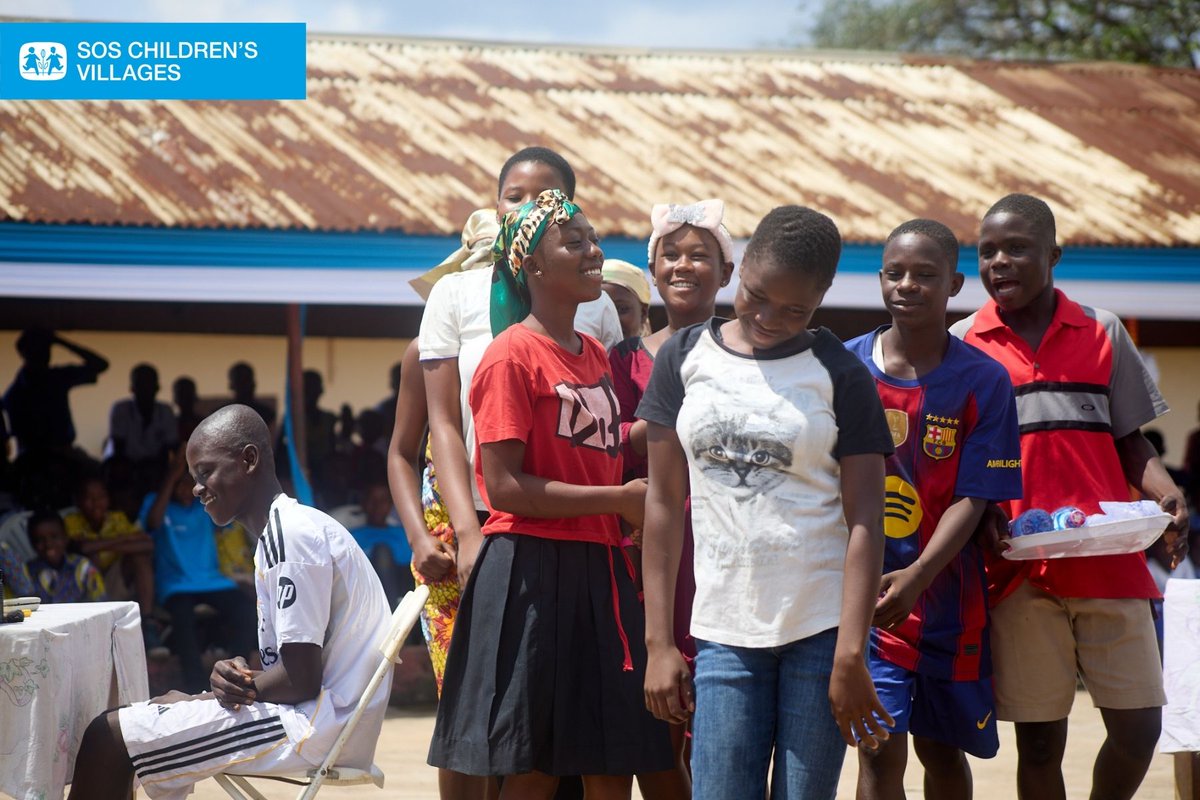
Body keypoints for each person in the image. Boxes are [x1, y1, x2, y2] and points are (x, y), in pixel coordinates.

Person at [640, 205, 894, 799]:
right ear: (741, 266)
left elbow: (865, 520)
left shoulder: (840, 374)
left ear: (823, 295)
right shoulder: (681, 361)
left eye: (795, 309)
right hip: (723, 631)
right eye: (756, 296)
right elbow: (661, 507)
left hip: (821, 631)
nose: (768, 318)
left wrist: (851, 654)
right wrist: (660, 643)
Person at [428, 190, 674, 797]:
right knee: (534, 763)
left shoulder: (591, 352)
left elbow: (598, 447)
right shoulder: (511, 356)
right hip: (532, 570)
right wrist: (616, 502)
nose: (594, 253)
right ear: (532, 266)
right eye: (575, 243)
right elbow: (506, 488)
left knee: (610, 757)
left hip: (599, 566)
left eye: (593, 240)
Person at [950, 193, 1188, 800]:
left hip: (1111, 561)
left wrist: (1165, 494)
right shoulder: (962, 343)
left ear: (1054, 254)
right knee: (1040, 744)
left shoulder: (1102, 331)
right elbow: (954, 465)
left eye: (1018, 249)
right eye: (988, 252)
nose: (1000, 262)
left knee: (1139, 728)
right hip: (1018, 572)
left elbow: (1129, 441)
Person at [67, 404, 392, 800]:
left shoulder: (292, 536)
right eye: (193, 477)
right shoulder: (288, 530)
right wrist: (229, 683)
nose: (197, 488)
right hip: (315, 716)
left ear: (249, 460)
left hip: (313, 726)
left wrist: (214, 694)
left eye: (205, 472)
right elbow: (296, 668)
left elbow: (301, 679)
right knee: (129, 728)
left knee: (109, 737)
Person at [844, 219, 1023, 800]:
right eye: (895, 273)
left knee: (943, 752)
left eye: (925, 274)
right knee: (878, 750)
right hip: (864, 601)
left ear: (955, 284)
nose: (908, 285)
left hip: (948, 599)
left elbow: (976, 496)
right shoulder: (844, 370)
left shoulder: (984, 380)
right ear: (879, 280)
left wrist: (919, 578)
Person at [608, 198, 736, 799]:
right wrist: (665, 418)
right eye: (672, 254)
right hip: (645, 554)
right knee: (647, 729)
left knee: (720, 721)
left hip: (725, 550)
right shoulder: (620, 361)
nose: (684, 265)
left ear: (727, 272)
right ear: (653, 269)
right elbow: (609, 445)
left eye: (700, 255)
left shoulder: (747, 355)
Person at [140, 447, 257, 693]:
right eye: (179, 483)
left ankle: (235, 673)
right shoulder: (156, 502)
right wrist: (171, 478)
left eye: (189, 482)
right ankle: (195, 687)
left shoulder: (203, 504)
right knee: (184, 622)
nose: (185, 489)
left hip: (212, 581)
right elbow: (152, 523)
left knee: (245, 609)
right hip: (177, 585)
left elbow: (229, 508)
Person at [3, 328, 109, 458]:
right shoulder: (16, 394)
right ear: (25, 353)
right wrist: (61, 342)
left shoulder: (55, 377)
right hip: (36, 459)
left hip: (56, 455)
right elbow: (100, 365)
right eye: (40, 349)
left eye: (47, 348)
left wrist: (60, 341)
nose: (46, 354)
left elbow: (101, 365)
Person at [63, 476, 157, 623]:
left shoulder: (117, 518)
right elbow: (83, 548)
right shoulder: (71, 521)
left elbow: (148, 544)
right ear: (79, 501)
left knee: (140, 558)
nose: (96, 503)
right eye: (89, 498)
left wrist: (100, 544)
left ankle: (148, 619)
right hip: (86, 588)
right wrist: (124, 538)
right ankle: (99, 614)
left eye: (101, 497)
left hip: (115, 580)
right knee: (92, 556)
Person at [107, 363, 179, 507]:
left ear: (157, 387)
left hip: (155, 466)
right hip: (126, 465)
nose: (145, 389)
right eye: (141, 384)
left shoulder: (165, 411)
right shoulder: (121, 409)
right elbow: (118, 448)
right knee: (117, 472)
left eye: (149, 384)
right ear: (132, 388)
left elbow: (172, 448)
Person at [349, 481, 415, 607]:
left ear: (391, 505)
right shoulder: (352, 536)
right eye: (372, 500)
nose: (377, 505)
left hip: (405, 587)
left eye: (383, 500)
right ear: (364, 504)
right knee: (382, 553)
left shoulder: (404, 533)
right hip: (369, 592)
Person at [23, 508, 106, 603]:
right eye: (40, 540)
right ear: (32, 543)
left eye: (54, 537)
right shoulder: (27, 573)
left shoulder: (83, 567)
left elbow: (100, 600)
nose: (48, 544)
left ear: (65, 537)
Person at [603, 259, 652, 340]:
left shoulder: (663, 352)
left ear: (643, 313)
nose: (610, 320)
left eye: (621, 309)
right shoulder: (577, 351)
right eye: (599, 309)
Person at [226, 362, 276, 429]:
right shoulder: (223, 415)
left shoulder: (267, 414)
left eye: (246, 381)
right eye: (240, 382)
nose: (244, 387)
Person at [173, 376, 203, 443]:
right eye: (181, 394)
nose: (184, 399)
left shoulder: (203, 423)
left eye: (187, 394)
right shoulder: (170, 424)